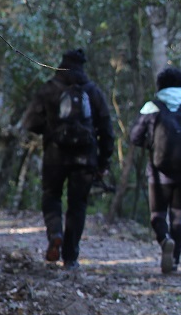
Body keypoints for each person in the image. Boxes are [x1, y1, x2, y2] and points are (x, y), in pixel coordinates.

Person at [21, 48, 115, 269]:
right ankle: (71, 257)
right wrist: (104, 162)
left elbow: (30, 123)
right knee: (78, 204)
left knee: (51, 195)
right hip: (85, 158)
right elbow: (107, 129)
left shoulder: (49, 89)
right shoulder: (93, 92)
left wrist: (51, 128)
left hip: (55, 155)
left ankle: (55, 233)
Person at [129, 66, 181, 274]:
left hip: (158, 172)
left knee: (157, 214)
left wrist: (152, 143)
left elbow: (134, 136)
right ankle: (174, 261)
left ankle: (165, 239)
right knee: (177, 214)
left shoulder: (152, 107)